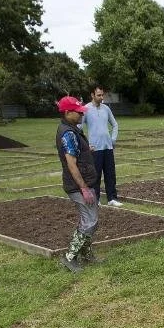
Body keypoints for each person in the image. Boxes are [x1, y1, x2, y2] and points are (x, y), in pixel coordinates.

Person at [56, 96, 103, 272]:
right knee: (89, 221)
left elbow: (76, 154)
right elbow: (71, 163)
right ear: (68, 113)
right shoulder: (67, 133)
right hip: (77, 185)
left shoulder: (71, 129)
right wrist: (83, 188)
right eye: (78, 112)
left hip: (83, 182)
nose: (81, 114)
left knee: (92, 220)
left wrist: (85, 150)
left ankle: (86, 255)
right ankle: (70, 257)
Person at [81, 85, 121, 206]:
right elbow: (79, 128)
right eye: (99, 95)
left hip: (108, 147)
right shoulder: (86, 109)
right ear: (92, 95)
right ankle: (96, 199)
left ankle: (112, 198)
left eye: (102, 95)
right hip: (95, 149)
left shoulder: (106, 109)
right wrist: (86, 144)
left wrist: (113, 140)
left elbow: (115, 125)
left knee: (110, 174)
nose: (101, 97)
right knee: (95, 175)